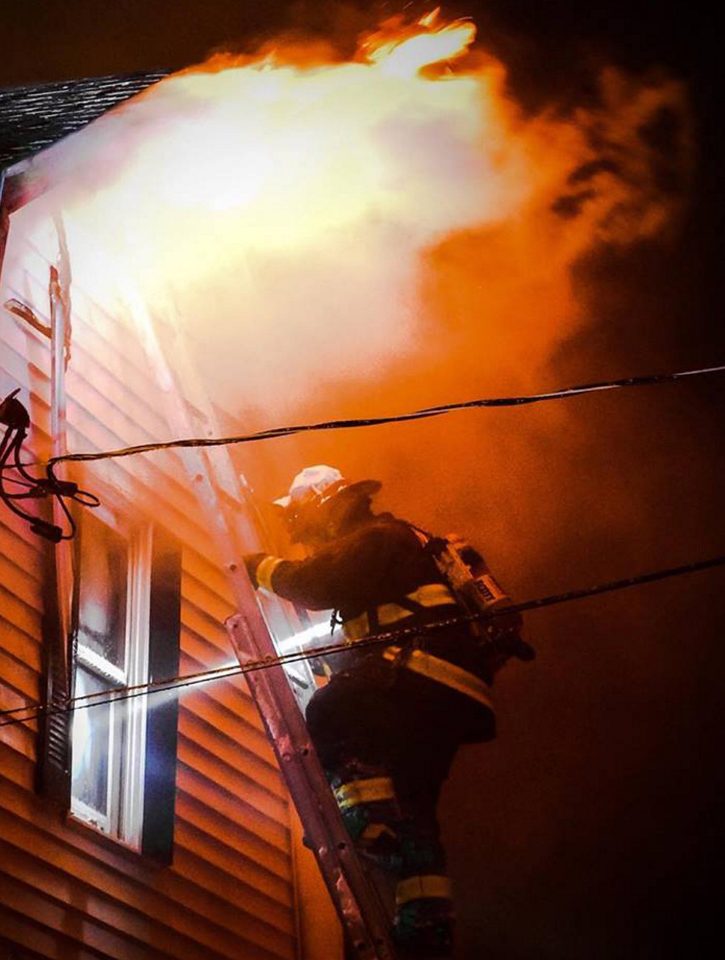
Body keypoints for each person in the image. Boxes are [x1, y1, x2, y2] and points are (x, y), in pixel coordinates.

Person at [244, 465, 533, 957]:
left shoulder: (376, 538)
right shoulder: (402, 544)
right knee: (415, 803)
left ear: (323, 505)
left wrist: (257, 567)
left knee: (331, 712)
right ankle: (426, 926)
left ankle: (369, 824)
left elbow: (316, 584)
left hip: (424, 671)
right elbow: (387, 618)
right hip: (451, 691)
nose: (306, 536)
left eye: (303, 521)